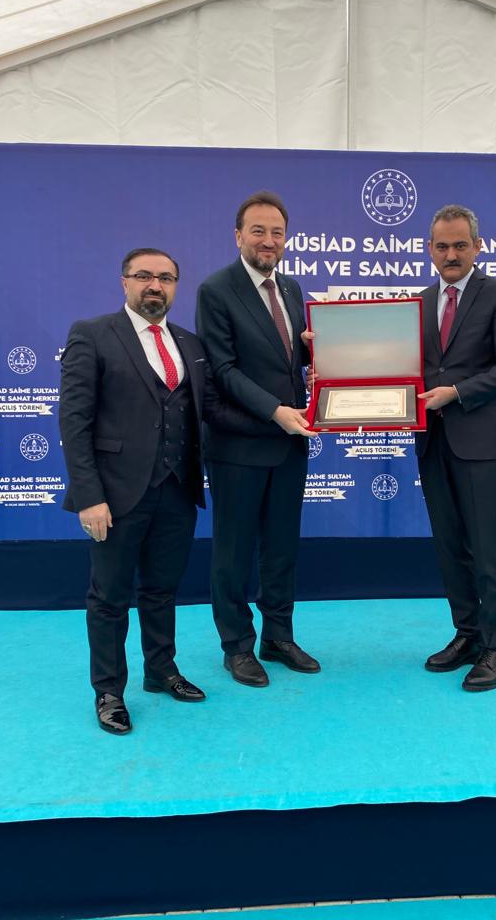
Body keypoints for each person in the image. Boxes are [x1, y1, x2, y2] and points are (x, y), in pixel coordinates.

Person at [60, 248, 212, 735]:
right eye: (144, 275)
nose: (155, 285)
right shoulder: (92, 334)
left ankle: (161, 669)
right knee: (109, 596)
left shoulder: (189, 343)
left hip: (177, 489)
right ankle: (108, 691)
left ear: (175, 287)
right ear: (124, 282)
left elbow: (207, 409)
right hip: (115, 493)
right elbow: (74, 421)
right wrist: (89, 496)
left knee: (162, 589)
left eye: (165, 278)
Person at [195, 190, 319, 688]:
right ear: (238, 236)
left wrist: (315, 352)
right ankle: (237, 646)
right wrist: (274, 411)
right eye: (259, 231)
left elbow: (286, 361)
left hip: (289, 443)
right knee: (233, 553)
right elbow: (223, 369)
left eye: (277, 232)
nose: (269, 240)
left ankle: (278, 637)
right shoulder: (216, 290)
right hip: (239, 447)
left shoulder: (290, 288)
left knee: (282, 548)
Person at [416, 205, 496, 691]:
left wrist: (457, 392)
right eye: (442, 246)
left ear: (478, 247)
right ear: (430, 250)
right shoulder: (420, 302)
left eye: (460, 245)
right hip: (431, 441)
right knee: (449, 547)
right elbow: (403, 365)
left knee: (487, 550)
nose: (451, 254)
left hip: (479, 443)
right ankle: (467, 634)